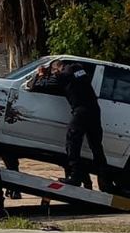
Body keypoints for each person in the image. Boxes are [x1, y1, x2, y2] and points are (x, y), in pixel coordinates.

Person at [37, 60, 107, 188]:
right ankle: (105, 182)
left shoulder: (62, 75)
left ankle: (75, 177)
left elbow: (43, 85)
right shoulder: (79, 69)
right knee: (96, 147)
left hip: (81, 111)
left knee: (72, 143)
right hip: (95, 111)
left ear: (56, 69)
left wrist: (41, 75)